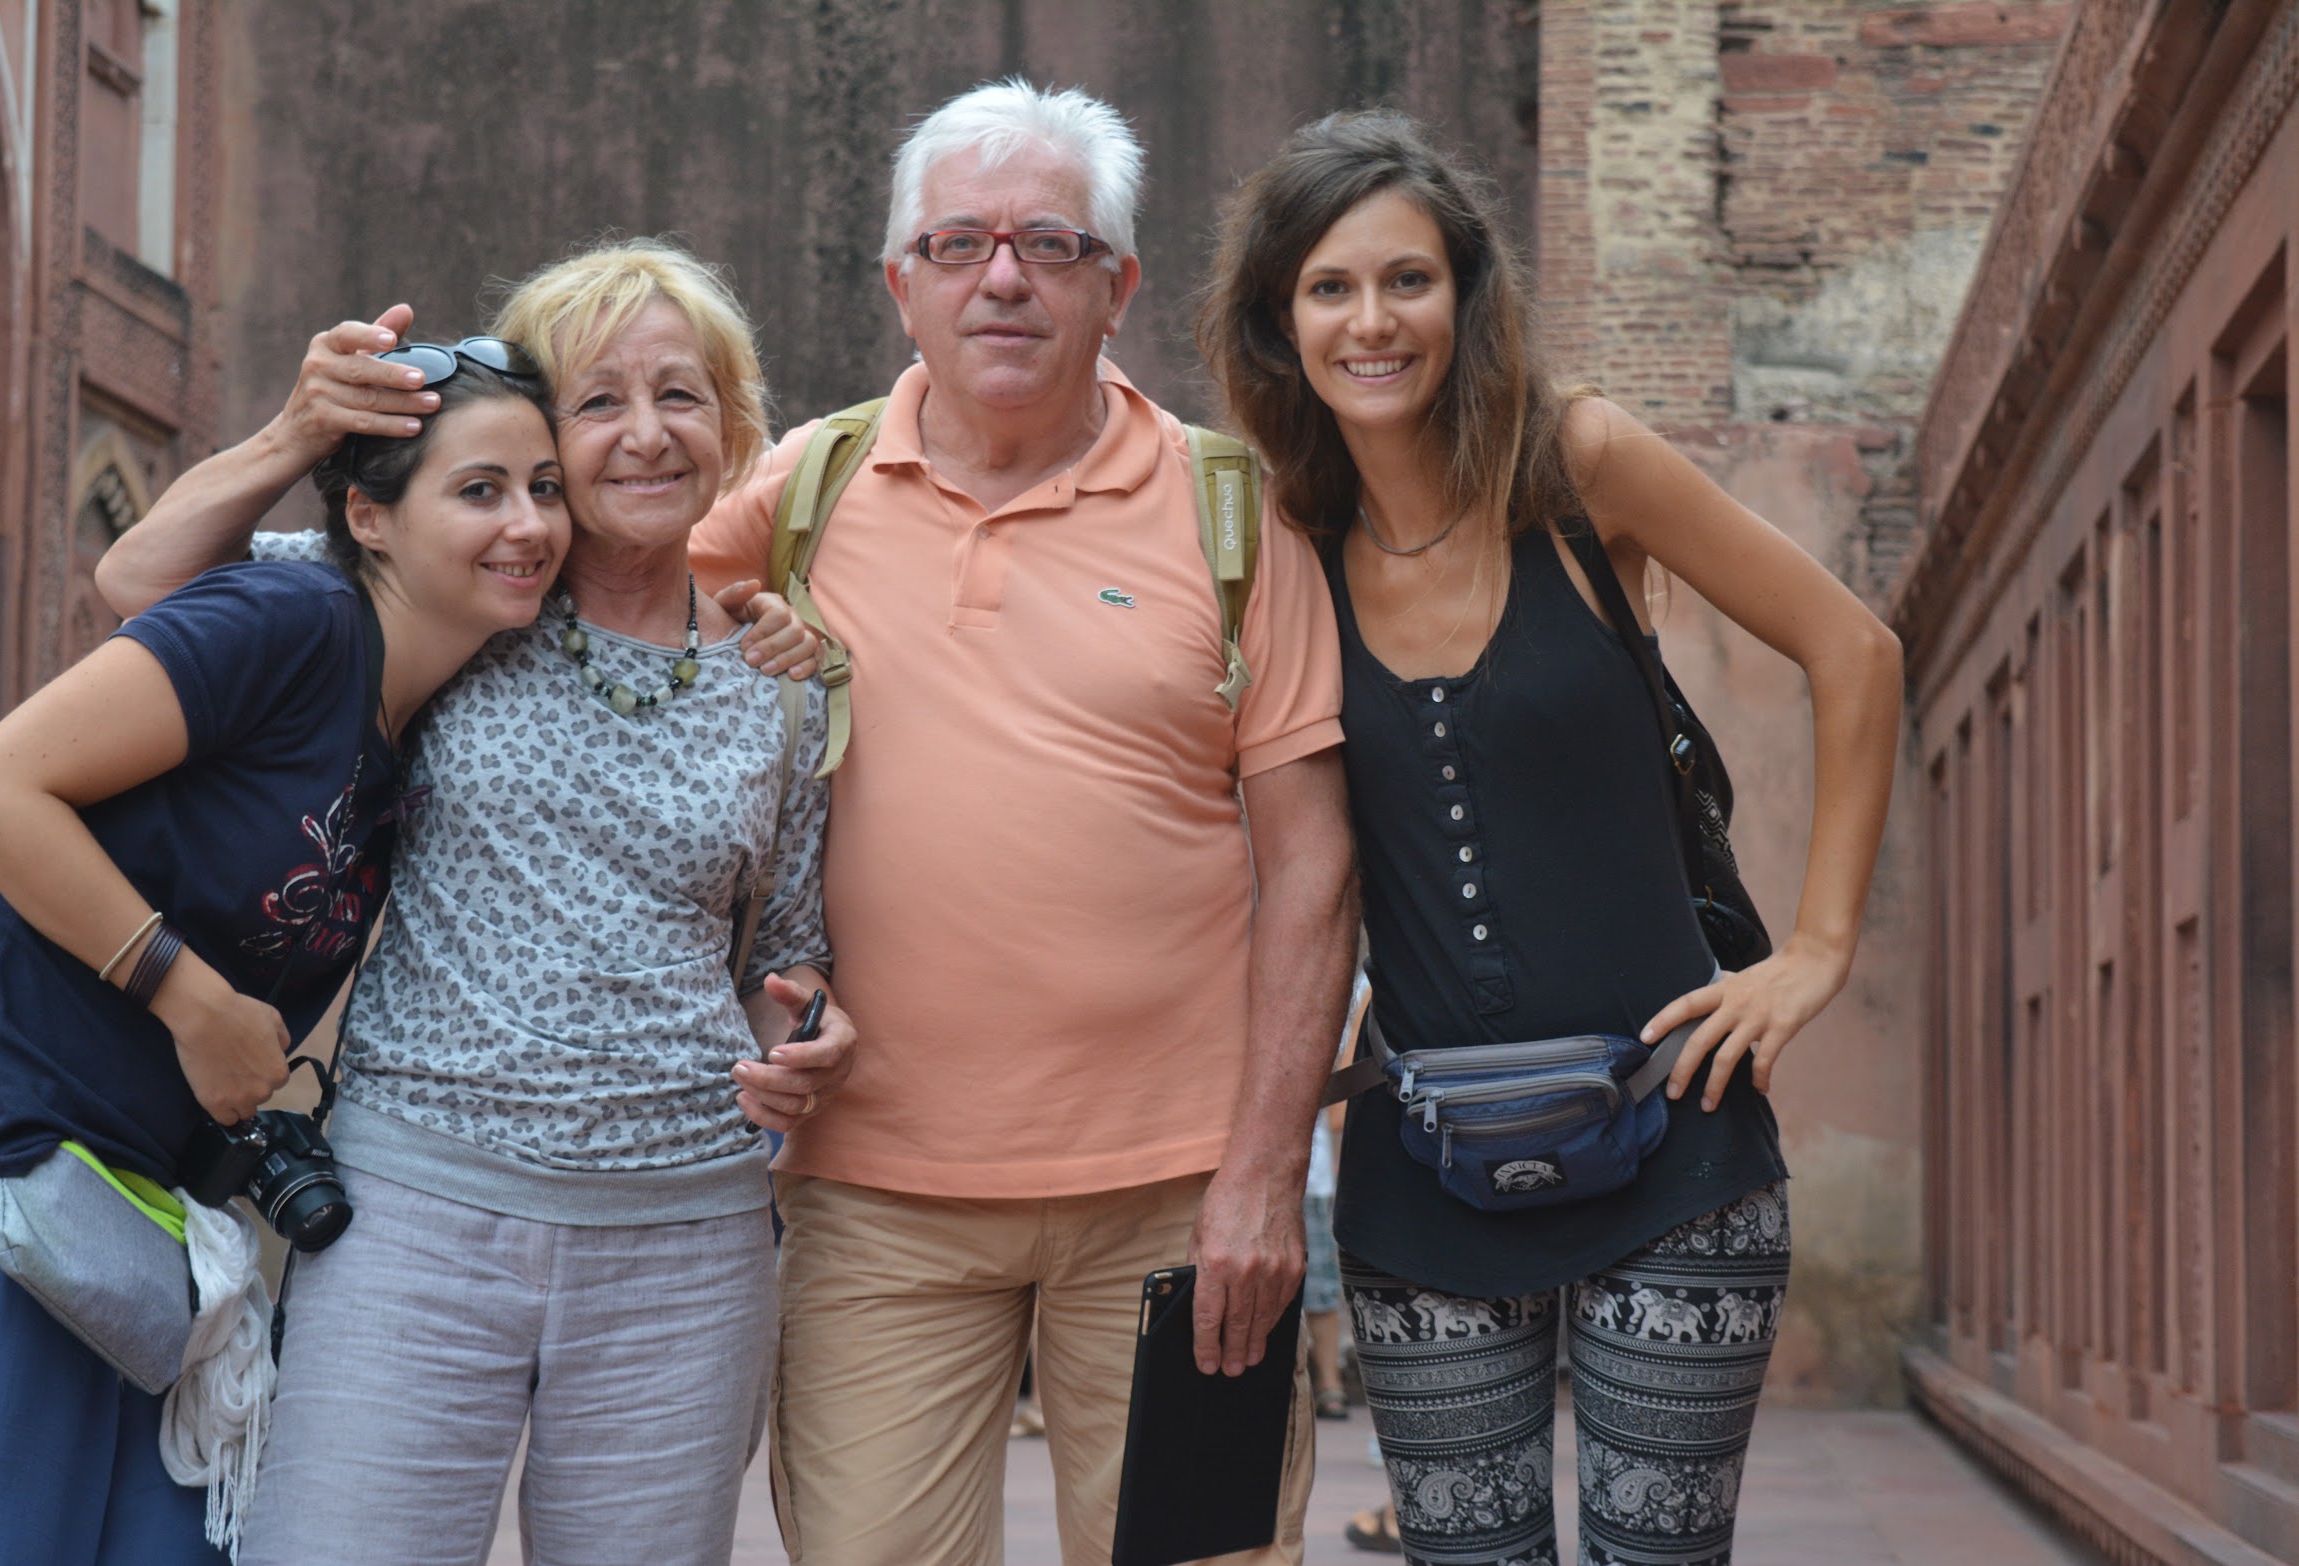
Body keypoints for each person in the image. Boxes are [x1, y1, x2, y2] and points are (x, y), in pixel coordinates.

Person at [1200, 111, 1903, 1566]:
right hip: (1421, 1171)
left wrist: (1818, 949)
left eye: (1408, 279)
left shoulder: (1579, 465)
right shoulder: (1281, 542)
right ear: (1280, 322)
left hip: (1678, 1141)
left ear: (1466, 294)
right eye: (1329, 288)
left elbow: (1855, 650)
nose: (1372, 321)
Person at [95, 239, 860, 1565]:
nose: (645, 433)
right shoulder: (453, 591)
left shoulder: (784, 682)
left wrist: (808, 1032)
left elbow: (782, 952)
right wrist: (299, 430)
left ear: (731, 425)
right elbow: (139, 584)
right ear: (540, 435)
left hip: (685, 1241)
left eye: (679, 395)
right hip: (415, 1211)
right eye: (599, 401)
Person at [687, 80, 1359, 1565]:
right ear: (901, 284)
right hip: (874, 1202)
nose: (1003, 278)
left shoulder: (1232, 513)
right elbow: (594, 629)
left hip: (1181, 1201)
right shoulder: (802, 491)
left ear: (1117, 288)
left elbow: (1314, 868)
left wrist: (1264, 1176)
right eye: (959, 244)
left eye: (1051, 244)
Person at [0, 346, 568, 1564]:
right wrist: (189, 997)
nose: (530, 523)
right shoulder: (293, 620)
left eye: (547, 489)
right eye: (482, 489)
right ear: (370, 518)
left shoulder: (407, 725)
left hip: (141, 1223)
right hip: (1, 1168)